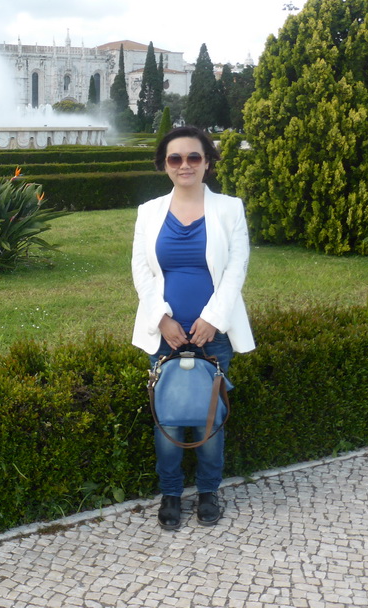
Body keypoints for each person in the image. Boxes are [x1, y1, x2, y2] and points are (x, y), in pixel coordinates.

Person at [131, 125, 255, 530]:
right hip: (164, 335)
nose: (185, 165)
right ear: (164, 165)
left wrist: (212, 319)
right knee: (166, 419)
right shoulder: (148, 212)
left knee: (209, 421)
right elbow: (141, 272)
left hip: (212, 336)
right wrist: (161, 319)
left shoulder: (230, 208)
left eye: (194, 157)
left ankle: (208, 491)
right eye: (175, 158)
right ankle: (170, 494)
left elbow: (236, 269)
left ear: (207, 162)